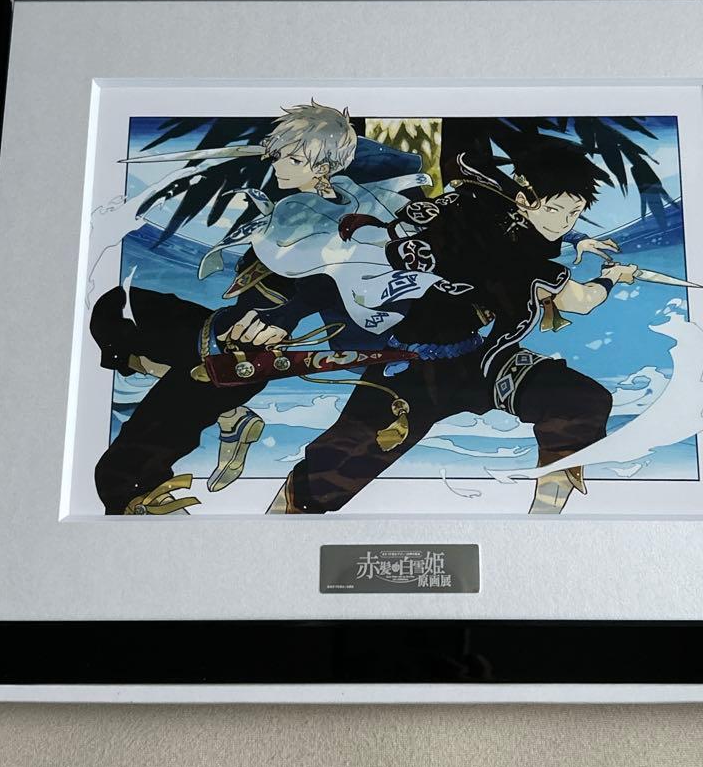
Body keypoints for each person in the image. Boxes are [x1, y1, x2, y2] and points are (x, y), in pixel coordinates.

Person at [267, 140, 638, 515]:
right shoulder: (487, 235)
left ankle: (545, 519)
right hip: (412, 370)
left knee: (580, 402)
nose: (561, 222)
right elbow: (581, 301)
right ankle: (282, 522)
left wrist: (576, 238)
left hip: (478, 363)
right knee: (328, 476)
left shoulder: (481, 212)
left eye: (573, 213)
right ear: (523, 198)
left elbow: (531, 239)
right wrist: (612, 277)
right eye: (554, 210)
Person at [89, 101, 423, 515]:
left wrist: (282, 317)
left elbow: (336, 273)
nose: (279, 165)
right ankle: (231, 416)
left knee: (121, 477)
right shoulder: (312, 197)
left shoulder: (359, 215)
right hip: (231, 329)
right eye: (278, 154)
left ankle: (148, 484)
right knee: (116, 307)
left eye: (292, 159)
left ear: (323, 167)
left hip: (250, 353)